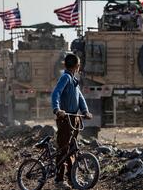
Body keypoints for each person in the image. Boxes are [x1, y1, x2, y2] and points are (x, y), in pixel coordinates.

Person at [51, 54, 92, 189]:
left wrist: (85, 111)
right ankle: (59, 180)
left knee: (72, 149)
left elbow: (80, 98)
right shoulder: (66, 78)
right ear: (77, 66)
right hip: (65, 118)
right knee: (63, 148)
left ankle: (71, 178)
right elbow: (56, 93)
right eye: (79, 65)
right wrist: (57, 109)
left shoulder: (74, 81)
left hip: (74, 118)